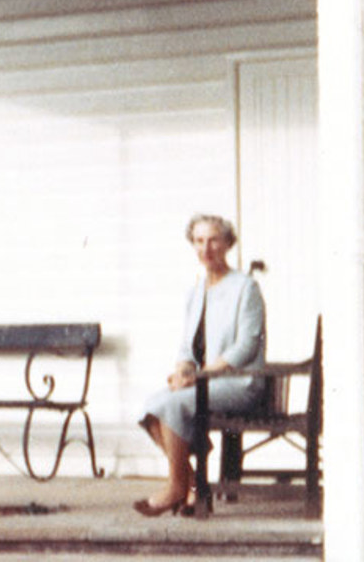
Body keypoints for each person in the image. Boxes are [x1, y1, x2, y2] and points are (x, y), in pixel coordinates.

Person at [135, 214, 265, 516]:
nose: (206, 249)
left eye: (214, 240)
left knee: (172, 405)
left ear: (228, 244)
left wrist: (201, 375)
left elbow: (246, 347)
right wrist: (182, 370)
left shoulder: (245, 288)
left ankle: (175, 487)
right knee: (153, 406)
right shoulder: (195, 292)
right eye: (199, 241)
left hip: (239, 383)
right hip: (205, 384)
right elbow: (187, 347)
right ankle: (192, 486)